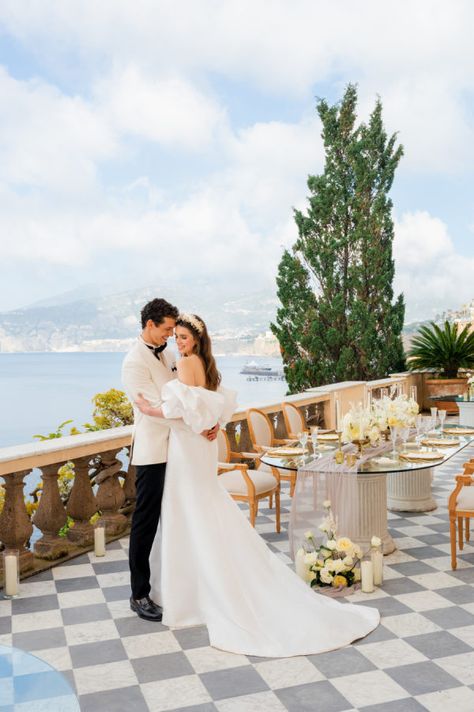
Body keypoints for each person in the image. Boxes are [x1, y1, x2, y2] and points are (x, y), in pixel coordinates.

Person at [135, 312, 380, 657]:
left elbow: (182, 413)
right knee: (199, 512)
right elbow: (212, 409)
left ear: (197, 340)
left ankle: (194, 593)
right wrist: (211, 426)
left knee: (188, 513)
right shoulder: (204, 364)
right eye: (175, 336)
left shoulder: (188, 363)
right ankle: (198, 585)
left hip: (187, 453)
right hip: (195, 450)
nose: (179, 342)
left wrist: (150, 410)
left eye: (184, 337)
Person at [122, 298, 217, 622]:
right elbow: (154, 411)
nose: (169, 336)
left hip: (179, 449)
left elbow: (190, 398)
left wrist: (206, 420)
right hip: (153, 451)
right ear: (150, 325)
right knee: (145, 521)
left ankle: (179, 585)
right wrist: (198, 427)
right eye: (165, 330)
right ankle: (139, 593)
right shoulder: (134, 363)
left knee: (179, 518)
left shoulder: (171, 354)